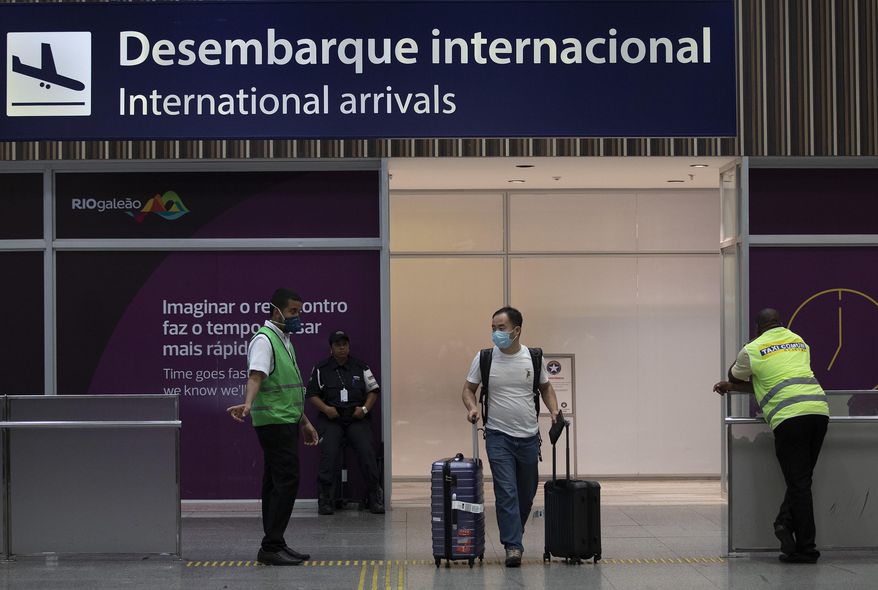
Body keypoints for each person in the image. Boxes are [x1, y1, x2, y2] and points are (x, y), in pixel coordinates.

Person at [713, 308, 829, 564]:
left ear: (757, 329)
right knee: (802, 480)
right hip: (819, 411)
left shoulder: (752, 349)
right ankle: (784, 524)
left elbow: (736, 373)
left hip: (790, 416)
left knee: (799, 483)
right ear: (781, 323)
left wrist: (734, 376)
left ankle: (806, 549)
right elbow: (781, 374)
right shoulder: (798, 340)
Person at [461, 306, 560, 568]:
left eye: (501, 328)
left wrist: (554, 411)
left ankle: (514, 531)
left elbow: (546, 388)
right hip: (497, 436)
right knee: (507, 492)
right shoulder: (484, 358)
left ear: (516, 331)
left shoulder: (533, 358)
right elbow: (468, 390)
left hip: (528, 437)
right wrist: (472, 408)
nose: (496, 333)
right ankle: (513, 546)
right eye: (493, 328)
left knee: (526, 494)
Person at [227, 288, 319, 566]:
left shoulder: (284, 339)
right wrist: (247, 403)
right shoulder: (264, 340)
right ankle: (271, 545)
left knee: (274, 482)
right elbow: (256, 376)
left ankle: (274, 542)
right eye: (292, 311)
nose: (297, 317)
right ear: (275, 310)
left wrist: (304, 421)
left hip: (286, 420)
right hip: (274, 422)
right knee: (287, 481)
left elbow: (286, 388)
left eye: (299, 312)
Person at [306, 330, 384, 515]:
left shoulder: (361, 367)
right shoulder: (321, 369)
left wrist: (364, 409)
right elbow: (311, 395)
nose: (342, 348)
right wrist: (326, 409)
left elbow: (373, 390)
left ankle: (374, 495)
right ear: (331, 348)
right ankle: (326, 499)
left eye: (345, 345)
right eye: (337, 345)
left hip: (356, 418)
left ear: (348, 346)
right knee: (329, 455)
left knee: (367, 452)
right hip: (331, 418)